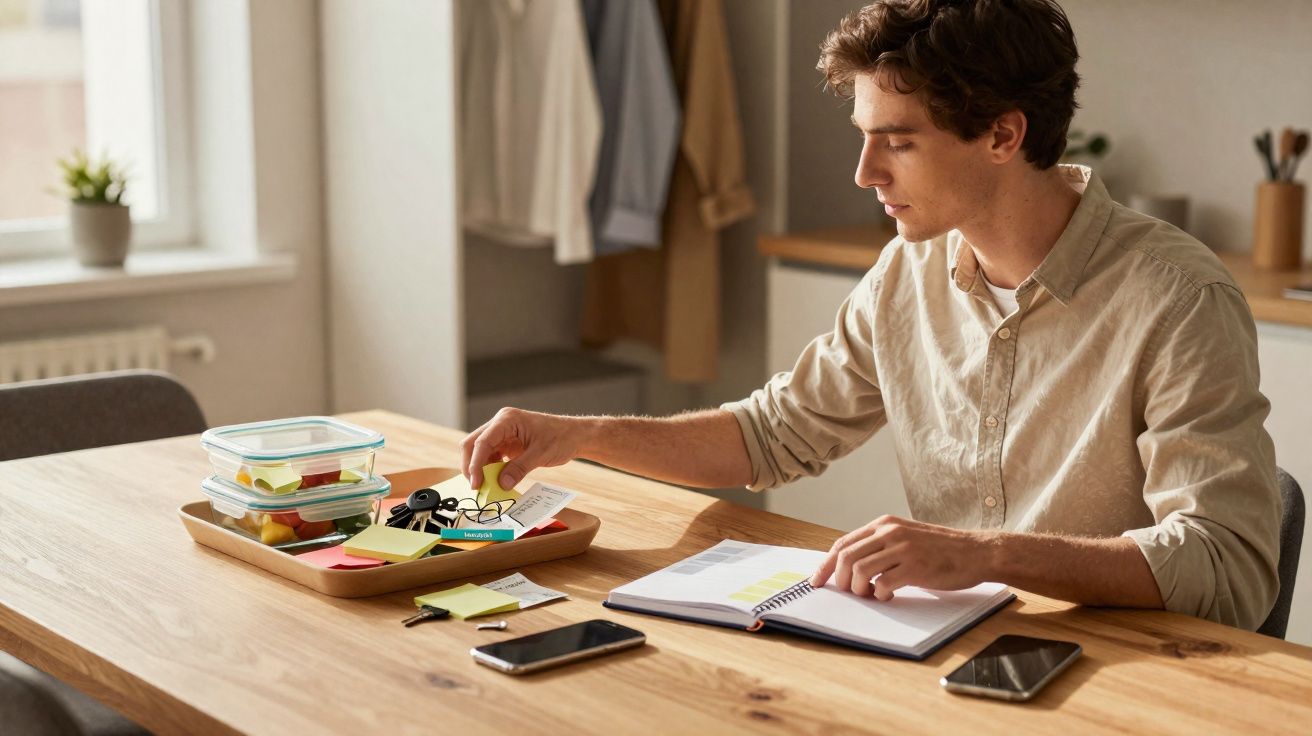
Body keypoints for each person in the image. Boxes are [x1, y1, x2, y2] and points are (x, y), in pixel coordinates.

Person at [460, 0, 1280, 630]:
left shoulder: (1176, 297)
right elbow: (771, 435)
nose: (863, 172)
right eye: (864, 136)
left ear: (1003, 134)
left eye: (899, 141)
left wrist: (987, 556)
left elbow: (1227, 568)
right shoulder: (907, 270)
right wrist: (578, 436)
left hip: (1126, 677)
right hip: (949, 652)